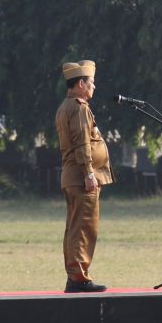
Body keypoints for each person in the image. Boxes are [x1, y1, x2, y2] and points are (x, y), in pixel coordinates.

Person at [56, 60, 113, 293]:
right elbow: (83, 142)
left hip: (72, 176)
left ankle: (75, 275)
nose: (94, 87)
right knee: (84, 227)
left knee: (75, 227)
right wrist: (90, 172)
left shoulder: (65, 106)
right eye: (91, 83)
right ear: (80, 84)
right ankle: (79, 278)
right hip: (81, 178)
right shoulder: (79, 108)